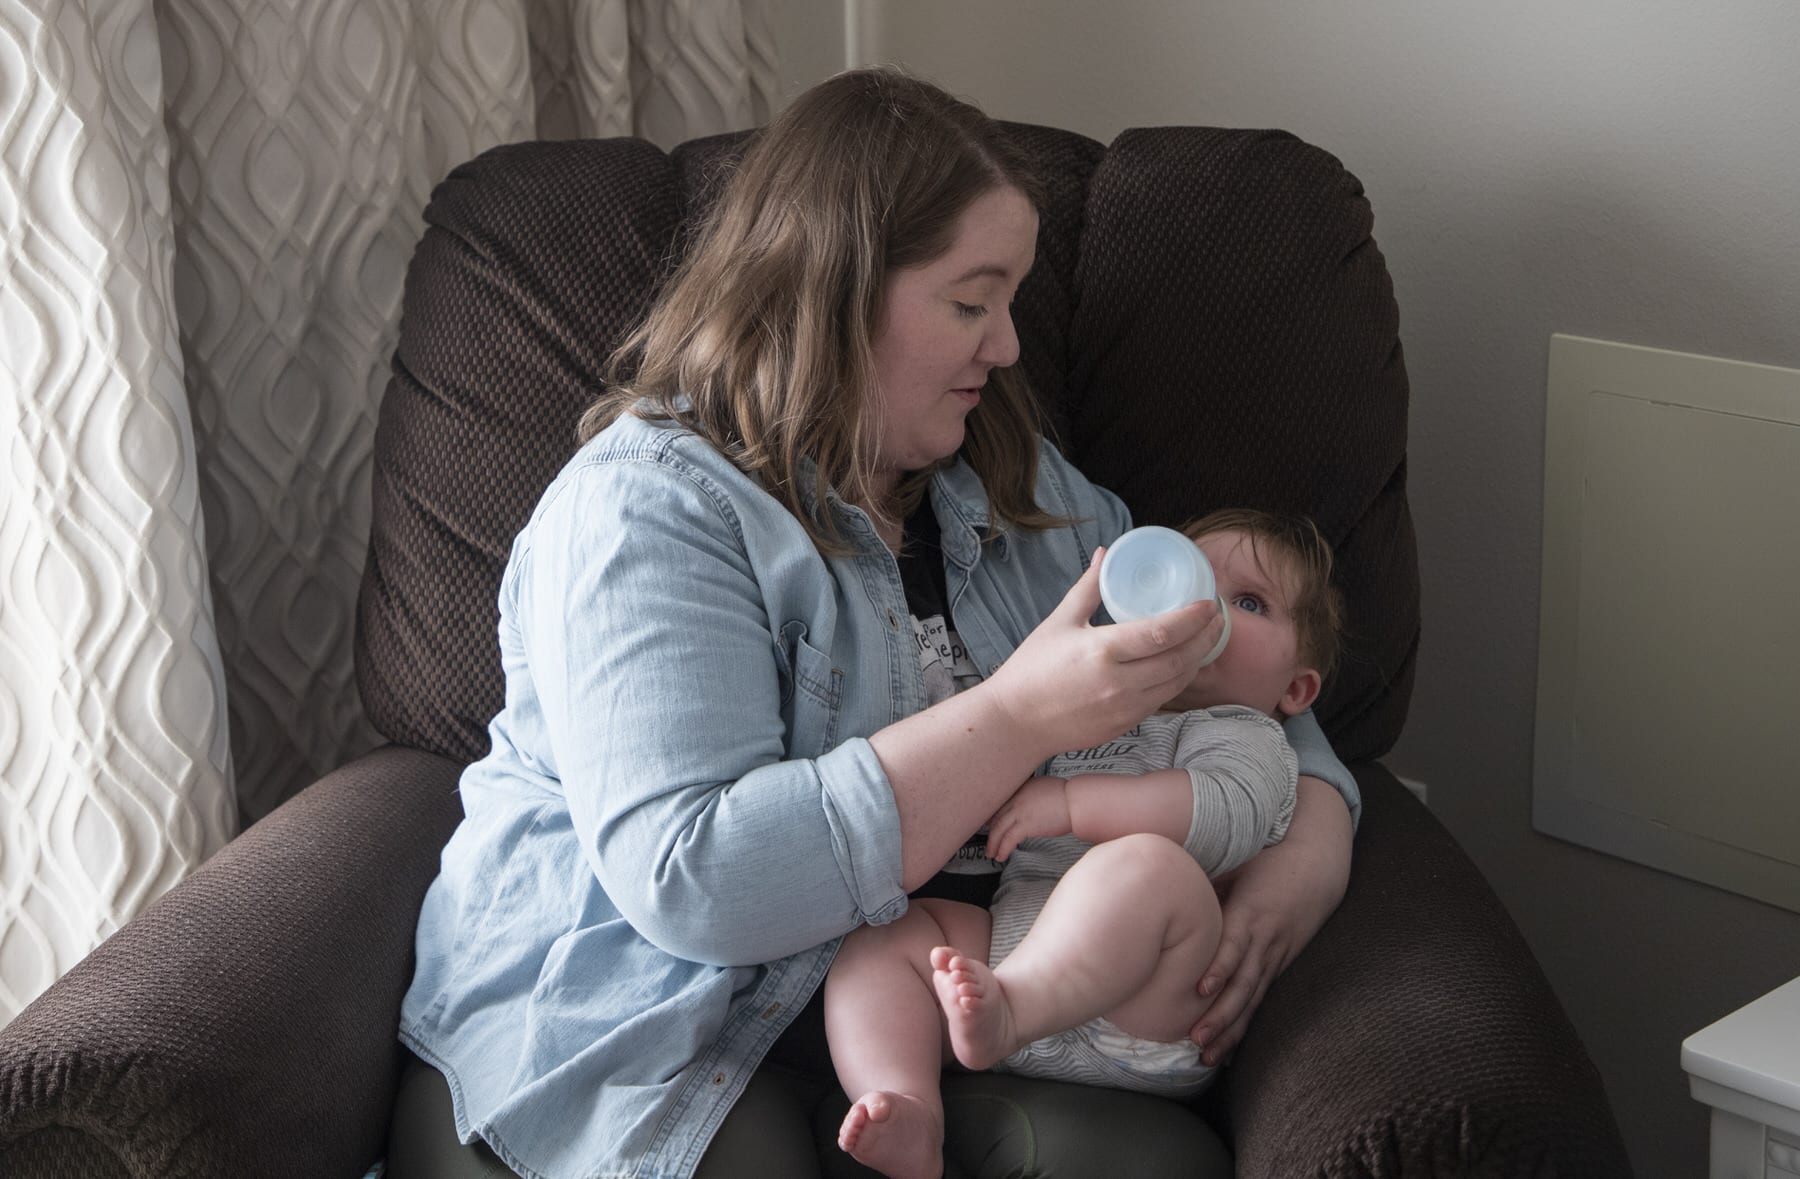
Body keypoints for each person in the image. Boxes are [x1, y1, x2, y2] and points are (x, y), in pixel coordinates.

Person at [398, 67, 1361, 1179]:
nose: (1006, 347)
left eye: (1012, 302)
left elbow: (1217, 661)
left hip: (934, 987)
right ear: (834, 292)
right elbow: (693, 880)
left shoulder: (1015, 483)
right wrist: (1016, 717)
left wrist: (1313, 846)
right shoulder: (646, 512)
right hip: (650, 1005)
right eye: (971, 301)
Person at [826, 510, 1343, 1178]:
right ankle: (906, 1100)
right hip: (1010, 953)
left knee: (1149, 864)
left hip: (1146, 998)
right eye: (1189, 577)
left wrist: (1071, 803)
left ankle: (1010, 1008)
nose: (1200, 607)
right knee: (884, 939)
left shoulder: (1249, 735)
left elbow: (1221, 816)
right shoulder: (1100, 698)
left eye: (1247, 602)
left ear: (1296, 688)